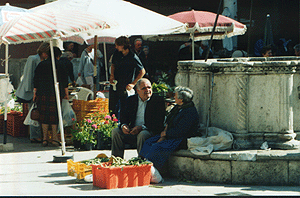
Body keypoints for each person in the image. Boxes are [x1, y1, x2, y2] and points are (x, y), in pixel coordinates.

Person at [139, 86, 199, 173]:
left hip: (180, 138)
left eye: (176, 95)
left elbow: (181, 131)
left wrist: (166, 135)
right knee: (149, 142)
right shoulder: (177, 108)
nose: (174, 97)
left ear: (181, 100)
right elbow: (168, 121)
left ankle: (151, 171)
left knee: (157, 147)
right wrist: (164, 134)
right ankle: (141, 164)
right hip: (169, 134)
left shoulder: (190, 112)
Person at [111, 78, 165, 158]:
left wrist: (141, 128)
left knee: (142, 134)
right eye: (144, 88)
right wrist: (124, 126)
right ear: (138, 90)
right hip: (132, 131)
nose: (147, 90)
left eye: (149, 87)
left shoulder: (158, 101)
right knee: (116, 131)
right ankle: (116, 160)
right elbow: (123, 117)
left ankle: (142, 161)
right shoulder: (130, 100)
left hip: (149, 131)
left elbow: (158, 122)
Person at [33, 47, 69, 147]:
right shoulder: (60, 64)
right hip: (55, 93)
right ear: (58, 55)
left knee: (44, 116)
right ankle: (54, 138)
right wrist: (66, 94)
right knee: (55, 116)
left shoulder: (41, 65)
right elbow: (65, 80)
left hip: (42, 93)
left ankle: (44, 139)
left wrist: (35, 93)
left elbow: (35, 80)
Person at [15, 42, 50, 143]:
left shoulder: (40, 60)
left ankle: (35, 134)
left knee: (36, 112)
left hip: (36, 89)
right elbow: (29, 74)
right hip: (32, 90)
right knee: (34, 112)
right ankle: (35, 135)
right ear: (43, 52)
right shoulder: (33, 59)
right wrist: (30, 89)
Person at [109, 36, 146, 116]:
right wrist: (112, 75)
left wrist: (133, 83)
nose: (115, 47)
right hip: (115, 83)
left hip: (126, 85)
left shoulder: (132, 56)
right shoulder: (116, 53)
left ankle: (123, 124)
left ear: (122, 46)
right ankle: (111, 122)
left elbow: (142, 71)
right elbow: (113, 65)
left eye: (117, 45)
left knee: (124, 107)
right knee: (112, 106)